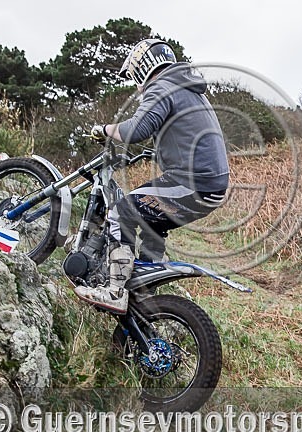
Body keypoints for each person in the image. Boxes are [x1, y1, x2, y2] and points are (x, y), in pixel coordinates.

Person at [73, 38, 230, 314]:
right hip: (210, 184)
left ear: (142, 67)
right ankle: (143, 292)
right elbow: (183, 136)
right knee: (151, 223)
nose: (135, 83)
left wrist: (104, 129)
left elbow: (137, 129)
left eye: (133, 75)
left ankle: (114, 291)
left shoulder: (162, 85)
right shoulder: (187, 88)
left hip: (193, 184)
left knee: (121, 212)